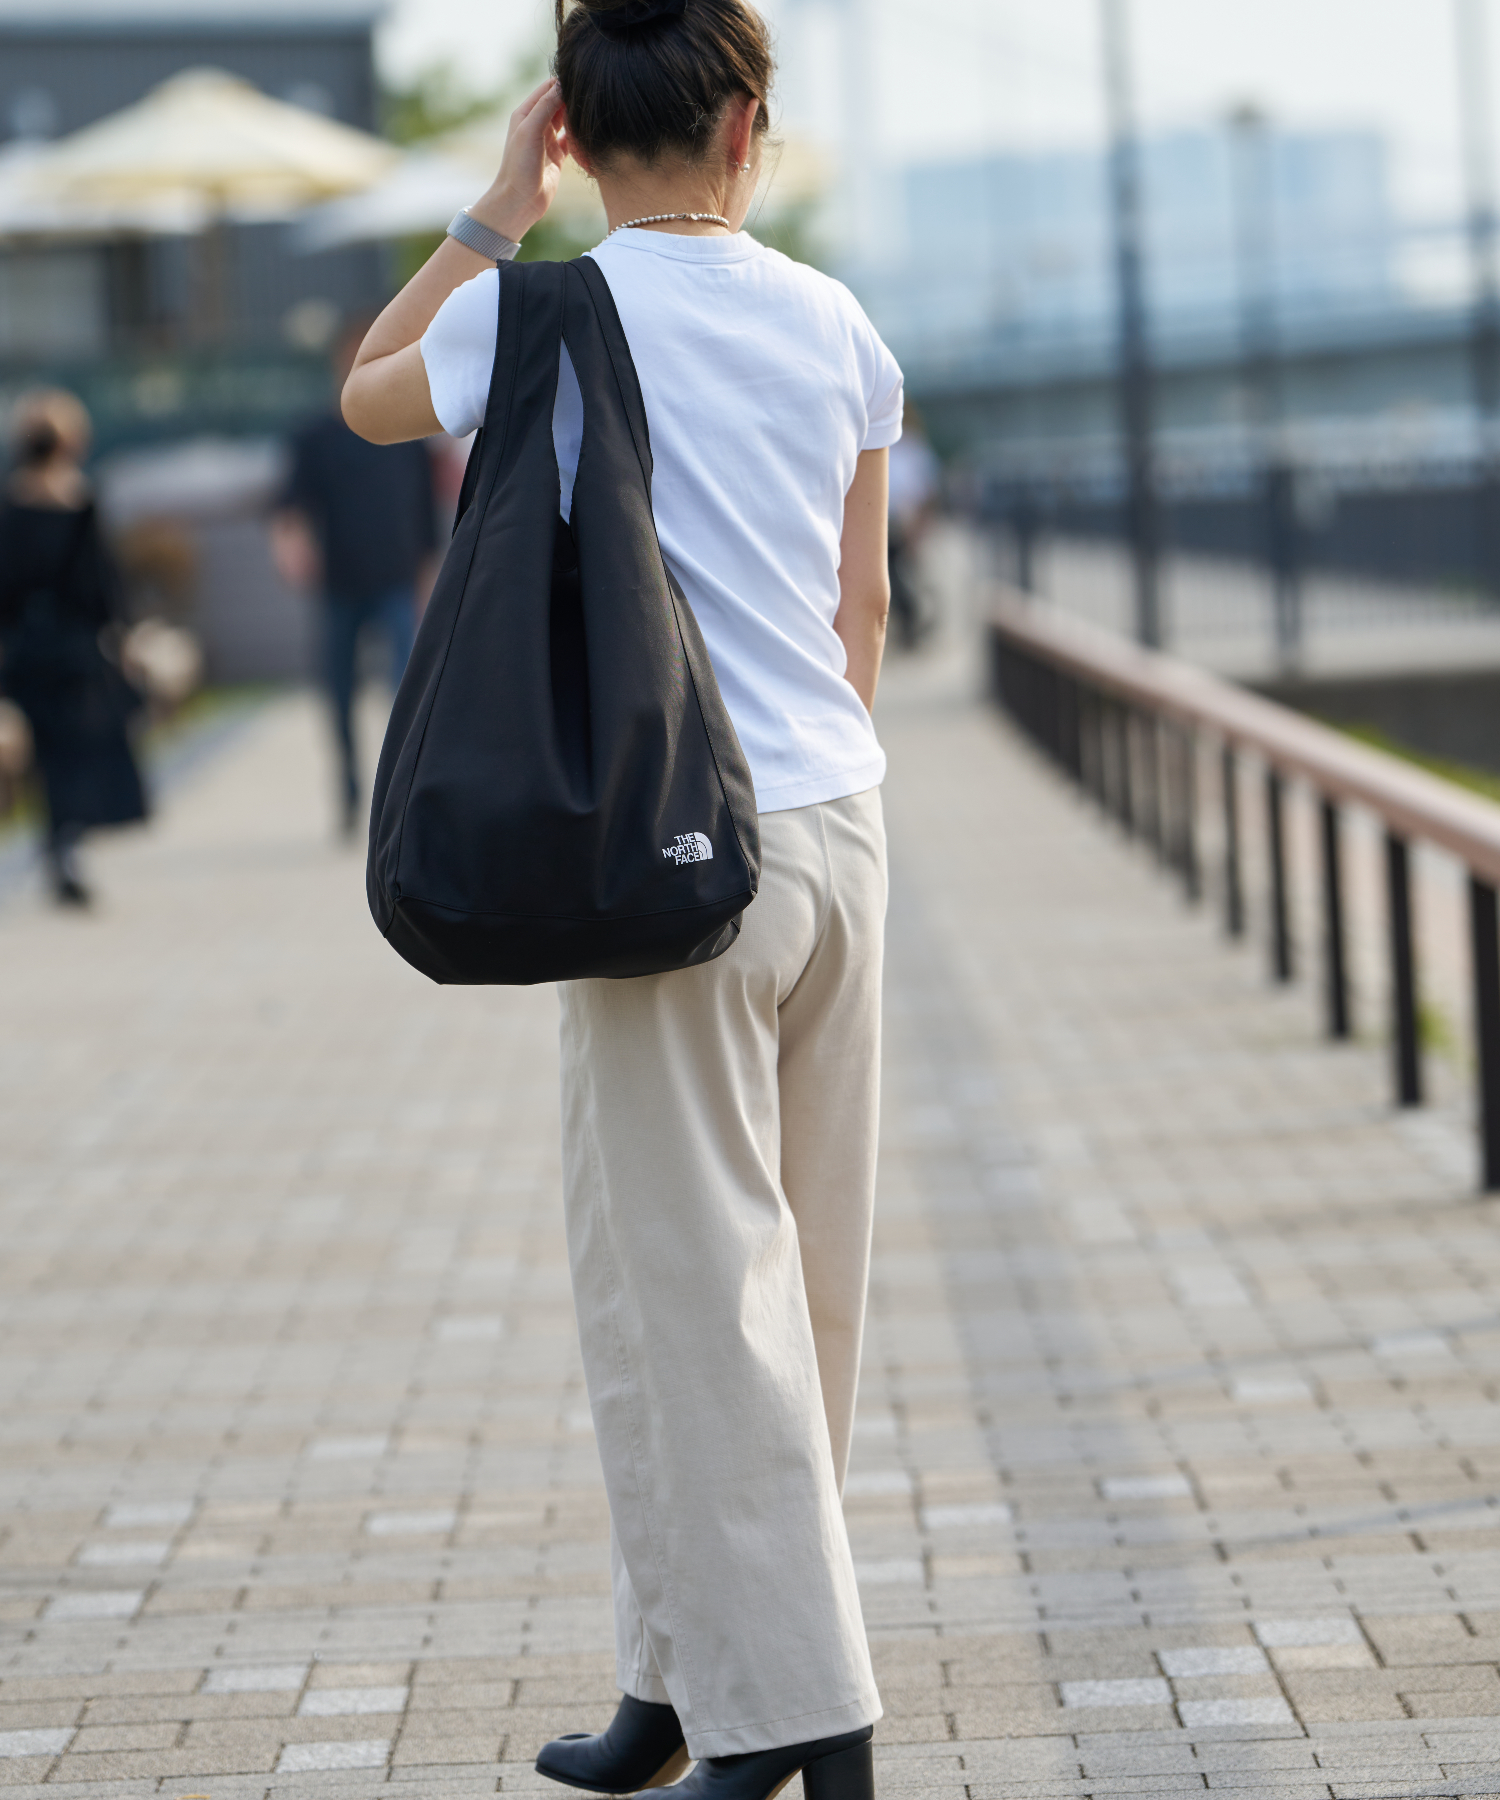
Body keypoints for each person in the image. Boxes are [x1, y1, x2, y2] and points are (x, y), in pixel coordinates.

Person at [342, 4, 897, 1796]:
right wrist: (819, 787)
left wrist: (496, 211)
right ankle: (677, 1676)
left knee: (688, 1290)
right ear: (750, 125)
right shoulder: (838, 319)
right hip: (840, 831)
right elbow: (860, 607)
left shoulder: (532, 305)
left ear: (574, 127)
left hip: (668, 849)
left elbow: (365, 395)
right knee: (787, 1285)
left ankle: (801, 1716)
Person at [272, 318, 439, 836]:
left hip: (395, 580)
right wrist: (291, 545)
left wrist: (429, 579)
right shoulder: (314, 434)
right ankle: (347, 794)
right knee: (339, 696)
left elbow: (424, 514)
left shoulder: (408, 435)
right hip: (339, 583)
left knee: (405, 696)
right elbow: (289, 504)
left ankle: (405, 797)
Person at [0, 389, 147, 906]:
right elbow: (102, 583)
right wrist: (122, 637)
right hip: (74, 652)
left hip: (26, 651)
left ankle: (58, 847)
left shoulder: (11, 504)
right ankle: (66, 848)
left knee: (48, 757)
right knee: (73, 754)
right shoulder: (79, 501)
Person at [885, 399, 939, 648]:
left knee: (909, 578)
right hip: (889, 523)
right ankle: (908, 626)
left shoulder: (914, 449)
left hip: (906, 522)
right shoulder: (889, 446)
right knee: (894, 578)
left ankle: (915, 625)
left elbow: (927, 493)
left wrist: (918, 527)